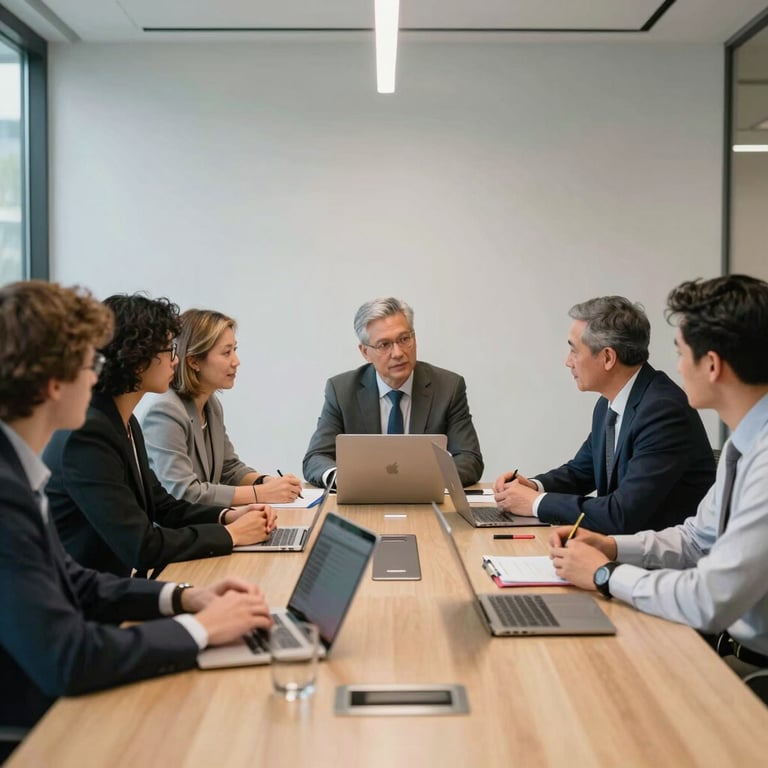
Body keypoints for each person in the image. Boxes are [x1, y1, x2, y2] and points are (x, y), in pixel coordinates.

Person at [0, 281, 272, 746]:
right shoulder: (11, 490)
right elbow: (70, 656)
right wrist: (200, 629)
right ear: (54, 383)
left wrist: (185, 598)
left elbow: (75, 581)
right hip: (39, 720)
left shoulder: (18, 470)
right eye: (89, 364)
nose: (96, 377)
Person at [550, 275, 768, 673]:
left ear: (713, 365)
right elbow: (695, 540)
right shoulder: (745, 443)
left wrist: (604, 574)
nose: (678, 367)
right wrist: (611, 547)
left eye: (682, 353)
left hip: (751, 671)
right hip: (728, 650)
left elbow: (708, 599)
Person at [43, 294, 277, 578]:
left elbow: (164, 507)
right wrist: (232, 535)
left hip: (111, 586)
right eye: (169, 351)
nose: (175, 361)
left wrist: (227, 516)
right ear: (137, 359)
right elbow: (142, 546)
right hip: (82, 596)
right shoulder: (88, 435)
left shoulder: (124, 422)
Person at [492, 296, 715, 535]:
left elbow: (622, 514)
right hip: (620, 546)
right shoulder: (608, 403)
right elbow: (581, 472)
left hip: (659, 554)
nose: (568, 362)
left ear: (608, 358)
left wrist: (535, 503)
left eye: (574, 350)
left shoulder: (663, 411)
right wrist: (534, 486)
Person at [302, 297, 483, 487]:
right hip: (363, 498)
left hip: (425, 498)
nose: (397, 353)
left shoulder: (448, 388)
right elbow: (316, 457)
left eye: (404, 339)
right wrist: (343, 479)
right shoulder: (342, 391)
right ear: (365, 352)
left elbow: (470, 459)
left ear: (414, 338)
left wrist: (423, 480)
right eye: (384, 345)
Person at [141, 308, 302, 506]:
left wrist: (267, 481)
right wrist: (262, 493)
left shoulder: (211, 404)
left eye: (235, 350)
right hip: (177, 525)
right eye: (226, 352)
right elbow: (184, 492)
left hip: (205, 520)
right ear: (194, 361)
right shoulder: (165, 412)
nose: (236, 361)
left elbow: (229, 468)